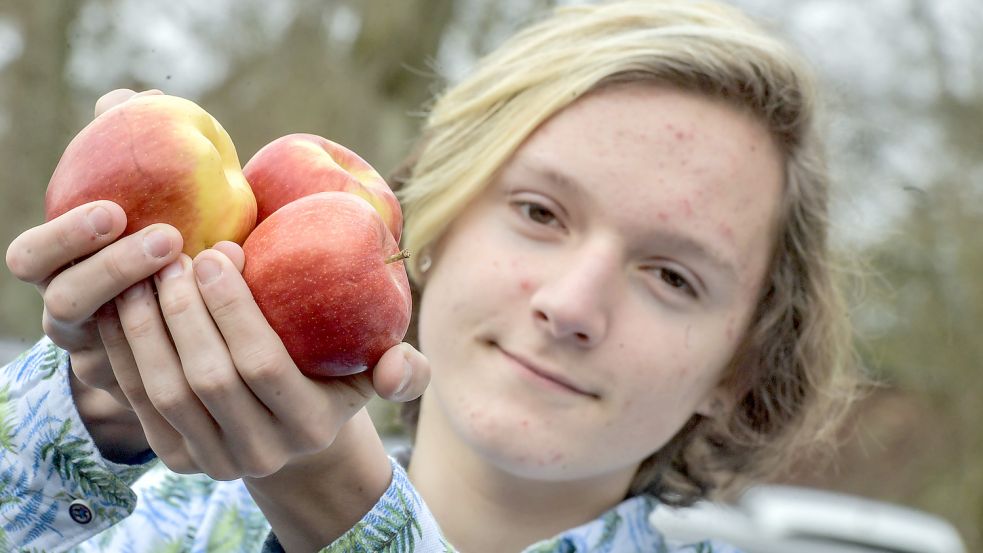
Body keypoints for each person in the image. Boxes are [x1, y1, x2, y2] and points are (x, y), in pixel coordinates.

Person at [0, 0, 862, 551]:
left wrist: (341, 507)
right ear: (433, 226)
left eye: (672, 276)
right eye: (538, 212)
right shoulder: (163, 526)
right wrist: (89, 415)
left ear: (740, 364)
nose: (570, 306)